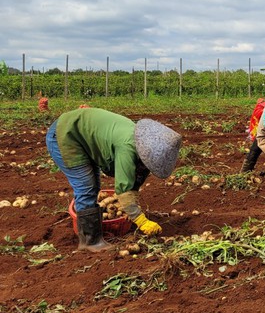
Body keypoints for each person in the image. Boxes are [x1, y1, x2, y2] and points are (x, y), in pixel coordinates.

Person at [45, 108, 182, 252]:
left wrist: (132, 205)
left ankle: (92, 230)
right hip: (65, 135)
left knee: (94, 185)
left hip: (78, 132)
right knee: (86, 186)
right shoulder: (127, 147)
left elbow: (135, 177)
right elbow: (124, 190)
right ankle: (90, 241)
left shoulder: (137, 139)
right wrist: (140, 220)